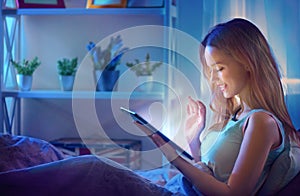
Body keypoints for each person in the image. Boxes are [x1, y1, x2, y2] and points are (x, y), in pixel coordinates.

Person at [136, 18, 300, 195]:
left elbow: (234, 193)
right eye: (210, 71)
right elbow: (210, 175)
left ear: (247, 62)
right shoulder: (237, 115)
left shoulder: (261, 122)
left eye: (219, 69)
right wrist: (193, 140)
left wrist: (175, 159)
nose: (213, 80)